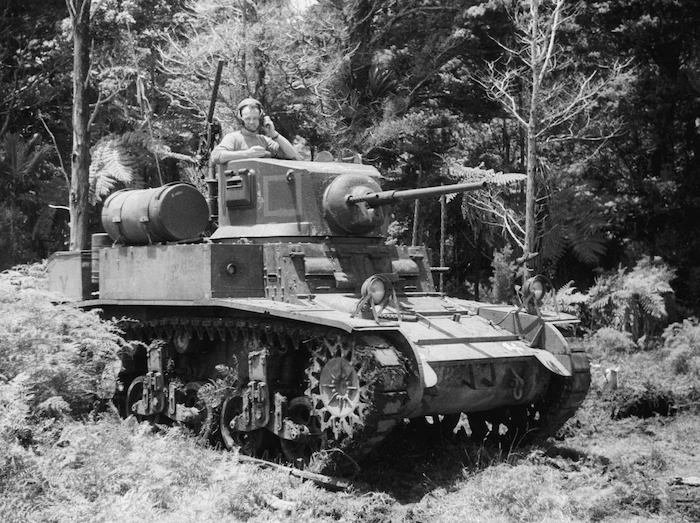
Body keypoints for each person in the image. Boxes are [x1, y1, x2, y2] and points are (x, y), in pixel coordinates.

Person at [210, 98, 298, 164]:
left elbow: (291, 155)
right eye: (248, 118)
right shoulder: (233, 138)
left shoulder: (264, 140)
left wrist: (274, 134)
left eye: (255, 118)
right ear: (240, 119)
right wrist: (248, 154)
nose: (252, 122)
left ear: (260, 119)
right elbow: (216, 156)